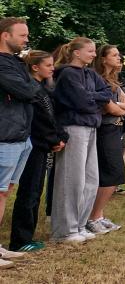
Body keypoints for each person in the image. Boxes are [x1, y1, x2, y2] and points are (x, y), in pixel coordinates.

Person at [50, 37, 113, 243]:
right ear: (77, 53)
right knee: (72, 179)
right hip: (74, 127)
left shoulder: (90, 73)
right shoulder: (67, 74)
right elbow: (81, 101)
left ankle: (80, 223)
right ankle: (64, 230)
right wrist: (95, 99)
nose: (94, 55)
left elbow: (106, 93)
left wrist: (92, 97)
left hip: (91, 127)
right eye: (90, 51)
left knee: (90, 178)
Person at [9, 51, 66, 254]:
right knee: (29, 191)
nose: (52, 68)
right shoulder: (31, 91)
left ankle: (27, 235)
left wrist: (61, 137)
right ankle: (20, 239)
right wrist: (52, 139)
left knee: (35, 191)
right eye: (48, 65)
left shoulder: (42, 89)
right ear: (35, 67)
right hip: (34, 146)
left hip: (43, 146)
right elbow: (39, 121)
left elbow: (52, 117)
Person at [0, 18, 39, 264]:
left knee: (6, 191)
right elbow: (29, 91)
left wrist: (29, 87)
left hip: (21, 135)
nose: (27, 40)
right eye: (22, 35)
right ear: (5, 35)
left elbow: (29, 90)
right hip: (5, 136)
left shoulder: (15, 62)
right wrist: (30, 86)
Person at [87, 45, 125, 235]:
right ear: (103, 59)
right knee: (112, 172)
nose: (119, 58)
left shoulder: (114, 81)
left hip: (116, 129)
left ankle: (98, 215)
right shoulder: (96, 79)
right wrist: (119, 107)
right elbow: (110, 109)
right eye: (114, 55)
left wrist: (118, 106)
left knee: (111, 174)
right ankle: (93, 217)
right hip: (104, 130)